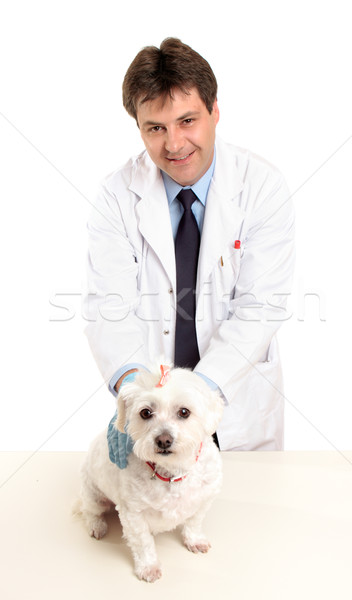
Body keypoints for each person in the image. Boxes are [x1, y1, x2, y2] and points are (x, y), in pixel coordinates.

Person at [83, 38, 295, 465]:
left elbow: (260, 307)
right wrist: (133, 395)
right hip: (154, 425)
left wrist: (196, 397)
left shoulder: (262, 187)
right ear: (138, 127)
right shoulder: (116, 196)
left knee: (251, 524)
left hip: (238, 411)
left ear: (215, 111)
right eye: (155, 128)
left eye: (187, 120)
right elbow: (109, 306)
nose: (175, 143)